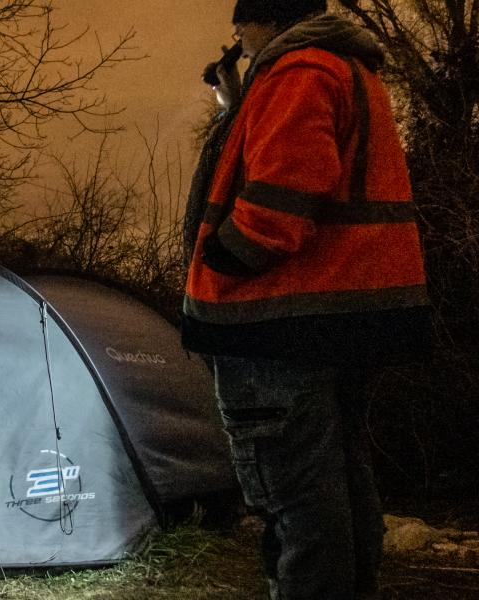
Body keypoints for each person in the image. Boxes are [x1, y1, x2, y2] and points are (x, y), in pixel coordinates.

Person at [182, 2, 432, 599]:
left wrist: (224, 258)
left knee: (295, 503)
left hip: (280, 321)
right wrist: (238, 104)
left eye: (241, 25)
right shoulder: (344, 70)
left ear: (267, 17)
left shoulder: (300, 71)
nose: (235, 37)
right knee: (337, 490)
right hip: (335, 315)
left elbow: (284, 193)